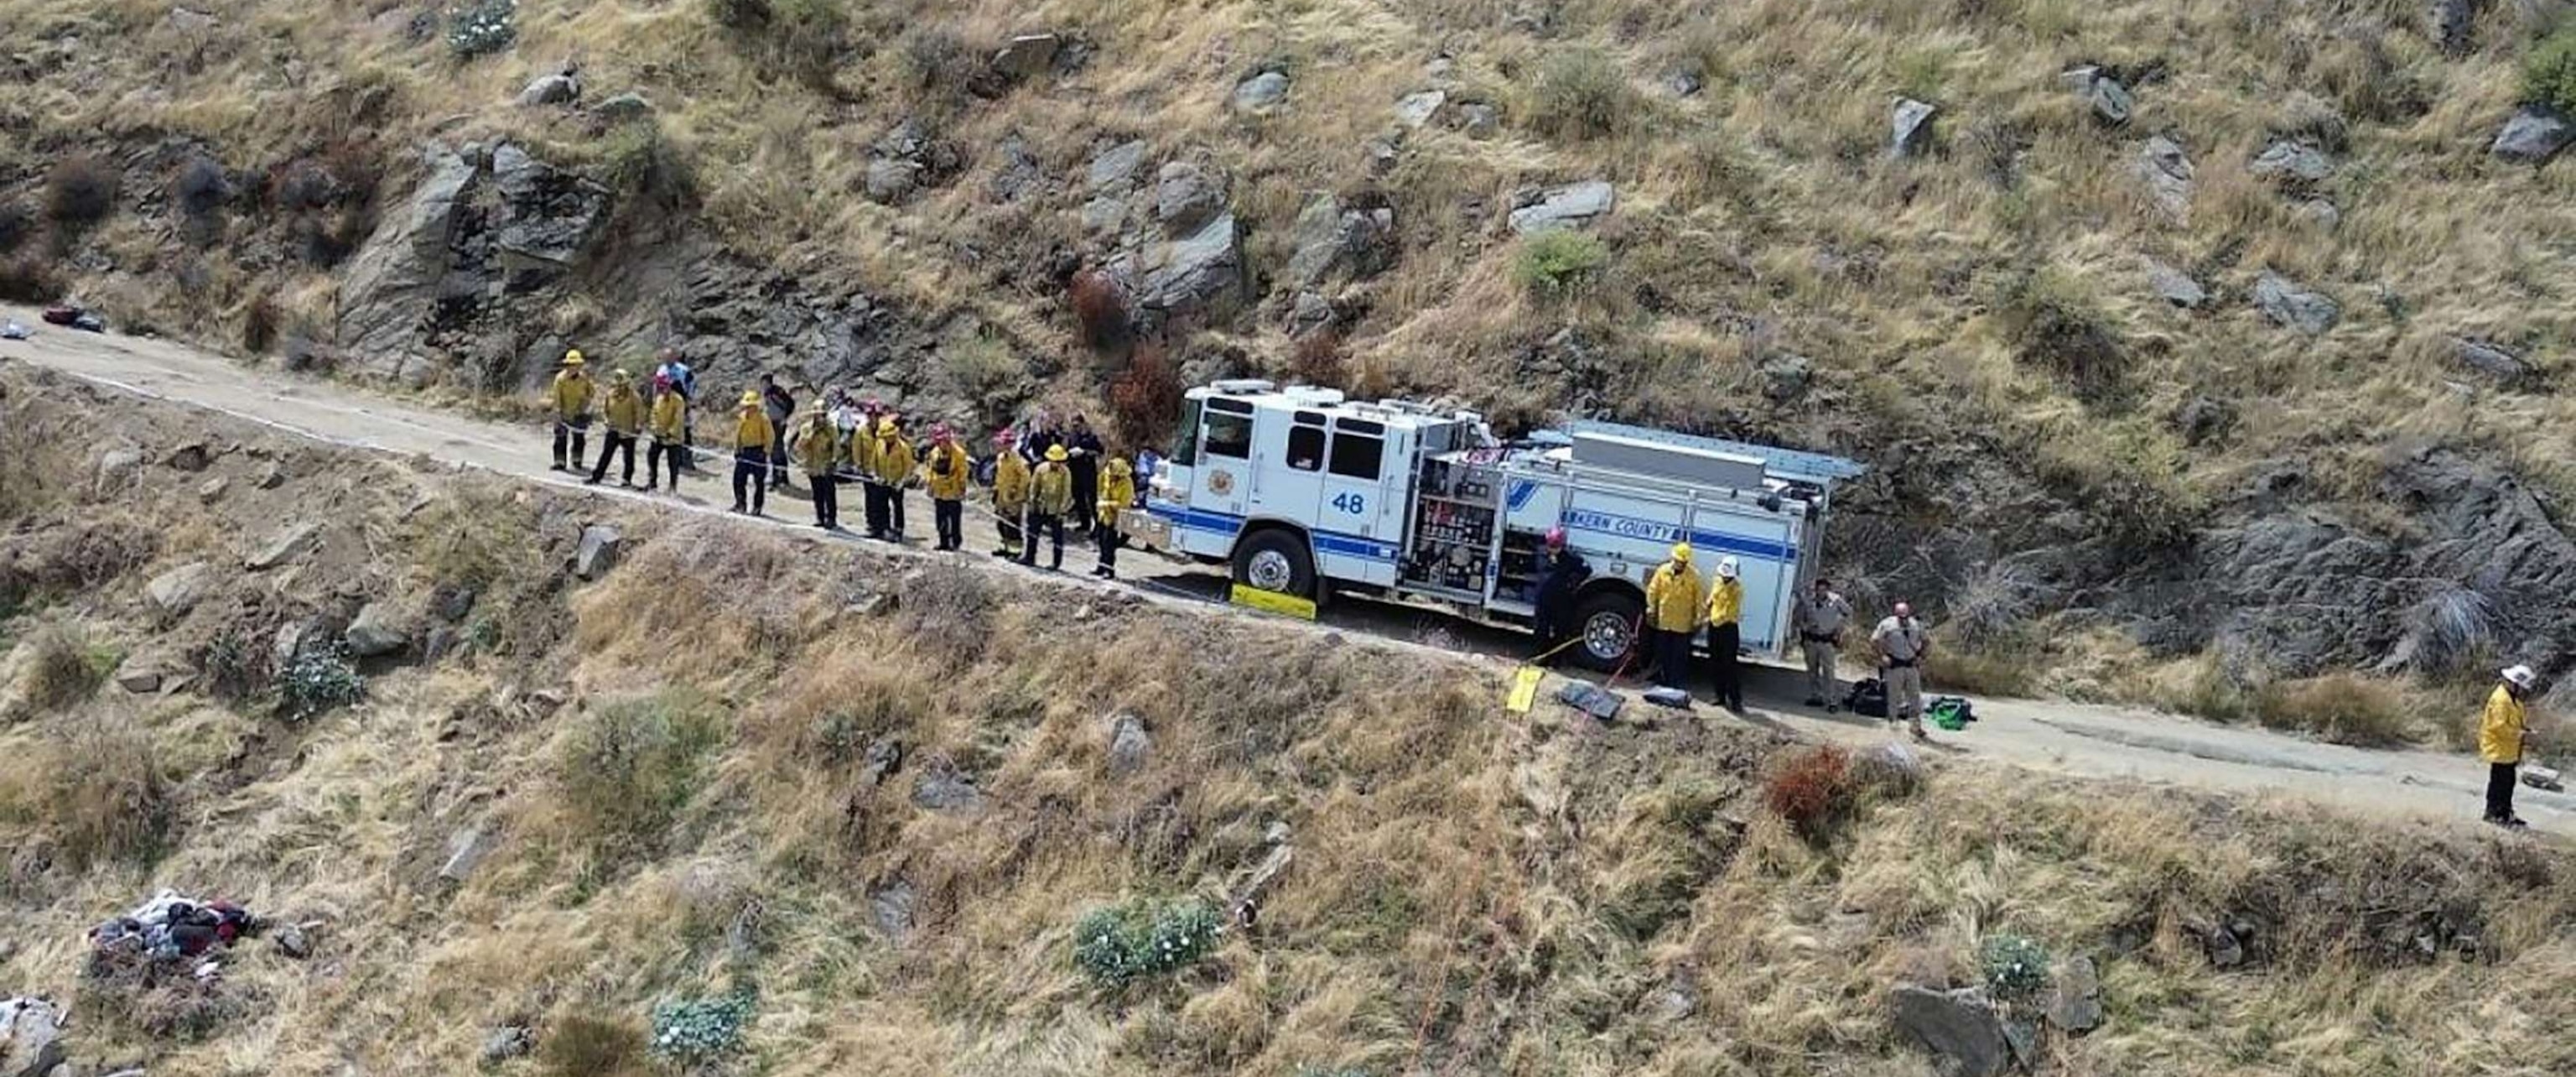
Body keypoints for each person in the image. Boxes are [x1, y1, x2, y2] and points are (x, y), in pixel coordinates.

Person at [2482, 664, 2541, 828]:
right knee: (2499, 783)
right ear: (2513, 683)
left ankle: (2505, 813)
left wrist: (2526, 731)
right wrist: (2521, 734)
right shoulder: (2501, 700)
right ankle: (2493, 813)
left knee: (2508, 782)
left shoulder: (2514, 700)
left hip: (2509, 750)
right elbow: (2499, 727)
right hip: (2499, 748)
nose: (2523, 691)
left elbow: (2516, 723)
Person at [1643, 544, 1703, 689]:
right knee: (1661, 653)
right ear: (1673, 558)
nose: (1680, 564)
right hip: (1664, 622)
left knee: (1679, 657)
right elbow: (1653, 591)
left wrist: (1698, 619)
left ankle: (1675, 683)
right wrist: (1651, 608)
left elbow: (1699, 599)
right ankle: (1659, 680)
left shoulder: (1693, 576)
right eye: (1678, 561)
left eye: (1683, 562)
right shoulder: (1662, 571)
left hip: (1682, 625)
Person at [1872, 601, 1932, 739]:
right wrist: (1883, 656)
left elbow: (1927, 641)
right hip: (1895, 665)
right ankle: (1893, 727)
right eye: (1900, 617)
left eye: (1905, 616)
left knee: (1915, 698)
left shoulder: (1916, 625)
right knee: (1894, 697)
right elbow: (1874, 640)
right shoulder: (1887, 624)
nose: (1903, 619)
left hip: (1911, 666)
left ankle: (1915, 728)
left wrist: (1921, 657)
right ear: (1896, 614)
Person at [1793, 577, 1854, 711]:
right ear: (1816, 590)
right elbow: (1797, 617)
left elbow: (1848, 613)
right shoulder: (1808, 601)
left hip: (1827, 642)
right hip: (1811, 641)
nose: (1821, 592)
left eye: (1824, 590)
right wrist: (1804, 627)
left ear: (1828, 590)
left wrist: (1840, 628)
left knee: (1829, 673)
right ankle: (1816, 696)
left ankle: (1832, 700)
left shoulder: (1836, 601)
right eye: (1819, 589)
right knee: (1812, 670)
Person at [1530, 527, 1590, 663]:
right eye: (1550, 545)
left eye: (1556, 546)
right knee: (1541, 628)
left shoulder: (1570, 558)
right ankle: (1540, 656)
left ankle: (1556, 659)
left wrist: (1572, 583)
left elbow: (1586, 570)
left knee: (1560, 629)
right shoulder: (1541, 554)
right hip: (1543, 598)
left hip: (1561, 599)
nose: (1552, 549)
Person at [584, 368, 643, 487]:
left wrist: (637, 427)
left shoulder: (634, 397)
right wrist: (606, 420)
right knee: (606, 454)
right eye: (618, 385)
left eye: (623, 385)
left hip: (628, 431)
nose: (620, 387)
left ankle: (627, 479)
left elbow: (639, 413)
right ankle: (597, 477)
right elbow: (605, 410)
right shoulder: (610, 394)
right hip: (613, 429)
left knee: (628, 457)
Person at [790, 402, 841, 529]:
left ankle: (831, 518)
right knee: (817, 492)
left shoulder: (831, 429)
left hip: (826, 464)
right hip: (812, 465)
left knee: (829, 492)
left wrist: (834, 461)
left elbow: (836, 446)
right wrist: (812, 433)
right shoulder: (806, 428)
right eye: (818, 415)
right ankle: (820, 517)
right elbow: (800, 446)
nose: (821, 418)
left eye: (823, 415)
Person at [1705, 555, 1746, 713]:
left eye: (1728, 576)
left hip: (1728, 628)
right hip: (1714, 627)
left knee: (1729, 665)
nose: (1724, 577)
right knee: (1715, 662)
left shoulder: (1737, 589)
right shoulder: (1717, 580)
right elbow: (1714, 596)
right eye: (1724, 575)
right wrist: (1708, 603)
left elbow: (1729, 612)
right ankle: (1719, 696)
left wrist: (1712, 619)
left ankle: (1736, 700)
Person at [922, 424, 972, 551]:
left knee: (954, 518)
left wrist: (962, 488)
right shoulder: (934, 453)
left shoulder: (959, 454)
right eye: (939, 441)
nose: (942, 444)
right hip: (939, 489)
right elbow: (930, 469)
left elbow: (963, 472)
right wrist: (929, 484)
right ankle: (943, 541)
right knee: (941, 517)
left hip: (953, 489)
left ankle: (955, 542)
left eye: (944, 441)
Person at [1023, 444, 1072, 570]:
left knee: (1057, 537)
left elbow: (1066, 493)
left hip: (1055, 509)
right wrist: (1032, 502)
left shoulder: (1065, 473)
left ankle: (1056, 563)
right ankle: (1029, 558)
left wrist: (1062, 511)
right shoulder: (1041, 469)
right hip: (1040, 506)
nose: (1058, 463)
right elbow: (1034, 486)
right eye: (1055, 461)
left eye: (1060, 461)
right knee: (1032, 533)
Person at [871, 416, 917, 542]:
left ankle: (898, 529)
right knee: (882, 505)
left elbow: (908, 466)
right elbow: (874, 461)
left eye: (889, 436)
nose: (887, 439)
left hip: (897, 482)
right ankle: (885, 528)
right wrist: (875, 475)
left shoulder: (903, 447)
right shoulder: (879, 444)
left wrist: (903, 481)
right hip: (883, 480)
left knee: (898, 506)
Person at [548, 350, 594, 471]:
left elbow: (591, 392)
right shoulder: (560, 379)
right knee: (560, 438)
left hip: (578, 413)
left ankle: (577, 461)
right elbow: (556, 397)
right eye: (571, 365)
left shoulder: (584, 378)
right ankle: (560, 462)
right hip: (563, 413)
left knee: (579, 439)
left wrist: (586, 405)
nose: (574, 367)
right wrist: (557, 414)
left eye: (576, 365)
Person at [652, 348, 698, 471]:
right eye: (665, 357)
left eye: (670, 357)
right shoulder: (661, 369)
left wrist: (690, 399)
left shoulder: (683, 370)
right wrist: (655, 400)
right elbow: (656, 385)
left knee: (684, 430)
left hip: (681, 403)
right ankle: (670, 457)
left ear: (675, 357)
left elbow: (692, 384)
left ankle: (687, 460)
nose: (667, 360)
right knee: (664, 428)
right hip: (664, 404)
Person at [730, 389, 773, 517]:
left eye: (751, 406)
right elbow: (738, 434)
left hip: (758, 451)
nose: (748, 408)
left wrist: (765, 452)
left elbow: (769, 436)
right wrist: (737, 449)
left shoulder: (763, 418)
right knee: (738, 479)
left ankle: (757, 507)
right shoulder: (742, 417)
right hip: (745, 451)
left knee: (759, 482)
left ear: (756, 405)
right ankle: (740, 504)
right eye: (747, 406)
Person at [1093, 454, 1135, 578]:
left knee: (1109, 545)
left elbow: (1124, 504)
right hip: (1103, 515)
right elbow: (1100, 489)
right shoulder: (1105, 476)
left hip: (1115, 518)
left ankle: (1109, 570)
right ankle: (1100, 567)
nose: (1113, 478)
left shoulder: (1127, 484)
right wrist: (1100, 500)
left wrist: (1107, 504)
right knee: (1101, 542)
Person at [991, 430, 1031, 559]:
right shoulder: (1001, 458)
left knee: (1012, 525)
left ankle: (1015, 552)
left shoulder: (1017, 459)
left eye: (1003, 443)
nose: (1001, 446)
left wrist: (1017, 491)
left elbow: (1025, 477)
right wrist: (996, 490)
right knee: (1001, 524)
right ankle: (1005, 547)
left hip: (1014, 498)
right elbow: (1000, 476)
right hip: (1002, 496)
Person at [1064, 414, 1104, 537]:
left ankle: (1097, 526)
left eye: (1077, 425)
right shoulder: (1071, 436)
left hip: (1088, 472)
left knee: (1091, 500)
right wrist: (1069, 454)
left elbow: (1100, 451)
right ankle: (1084, 523)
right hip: (1074, 471)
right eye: (1073, 425)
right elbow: (1066, 450)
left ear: (1083, 424)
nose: (1075, 427)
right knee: (1078, 498)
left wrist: (1084, 452)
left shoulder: (1091, 437)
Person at [646, 376, 686, 492]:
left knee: (672, 463)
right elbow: (654, 414)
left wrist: (670, 432)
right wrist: (654, 428)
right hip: (658, 435)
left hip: (673, 438)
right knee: (652, 458)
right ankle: (652, 483)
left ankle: (672, 487)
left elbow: (678, 419)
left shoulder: (678, 400)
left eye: (662, 387)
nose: (660, 389)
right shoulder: (659, 399)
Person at [761, 374, 797, 491]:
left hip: (778, 424)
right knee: (774, 450)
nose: (763, 385)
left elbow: (791, 404)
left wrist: (784, 418)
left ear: (769, 382)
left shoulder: (777, 392)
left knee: (777, 450)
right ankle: (779, 478)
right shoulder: (766, 393)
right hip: (770, 423)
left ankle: (779, 478)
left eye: (764, 383)